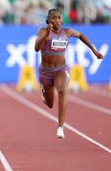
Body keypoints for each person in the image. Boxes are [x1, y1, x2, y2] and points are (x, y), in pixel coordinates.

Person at [34, 8, 103, 139]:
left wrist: (94, 51)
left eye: (59, 18)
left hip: (61, 69)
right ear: (48, 20)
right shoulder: (43, 31)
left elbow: (81, 35)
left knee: (63, 91)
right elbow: (36, 48)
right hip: (46, 72)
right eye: (54, 18)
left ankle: (60, 127)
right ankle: (45, 97)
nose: (57, 20)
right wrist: (46, 33)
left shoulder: (67, 32)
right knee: (50, 104)